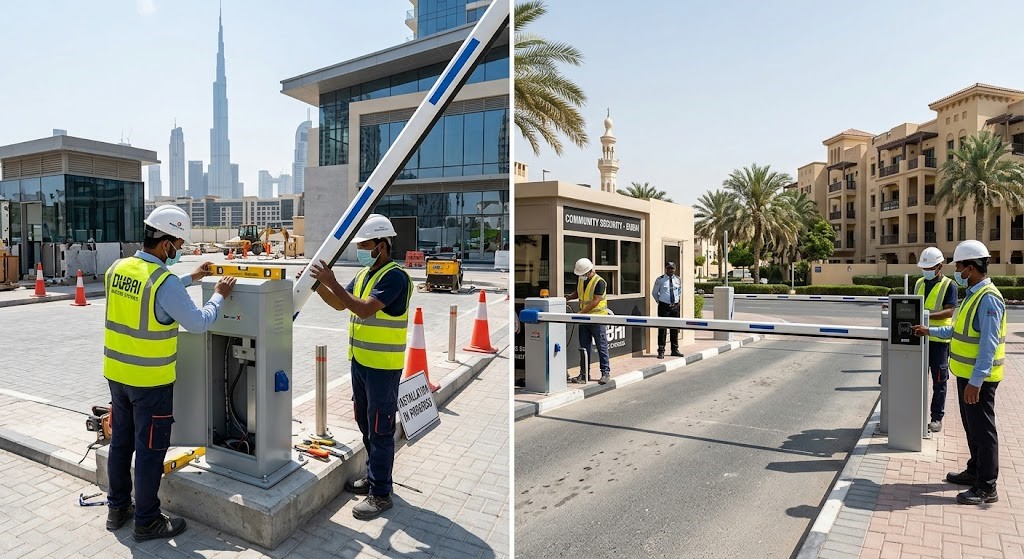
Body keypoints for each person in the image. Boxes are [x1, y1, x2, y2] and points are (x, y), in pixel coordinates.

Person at [104, 205, 236, 541]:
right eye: (179, 244)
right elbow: (197, 322)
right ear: (166, 245)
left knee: (121, 443)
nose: (180, 250)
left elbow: (153, 289)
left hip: (117, 376)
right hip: (150, 383)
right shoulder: (163, 281)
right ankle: (147, 521)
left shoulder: (118, 269)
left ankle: (118, 507)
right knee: (150, 452)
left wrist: (193, 277)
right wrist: (218, 296)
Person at [309, 214, 413, 520]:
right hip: (362, 362)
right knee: (366, 424)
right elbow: (342, 304)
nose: (361, 249)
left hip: (383, 367)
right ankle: (374, 476)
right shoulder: (368, 274)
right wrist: (317, 287)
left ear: (382, 245)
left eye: (365, 244)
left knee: (380, 429)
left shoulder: (395, 277)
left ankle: (381, 494)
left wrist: (332, 282)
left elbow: (364, 310)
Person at [912, 240, 1005, 505]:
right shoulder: (973, 294)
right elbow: (957, 330)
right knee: (972, 428)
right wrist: (929, 331)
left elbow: (988, 344)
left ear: (971, 268)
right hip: (967, 375)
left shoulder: (988, 298)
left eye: (960, 266)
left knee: (984, 432)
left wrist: (976, 381)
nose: (957, 271)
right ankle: (974, 471)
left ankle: (987, 487)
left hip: (980, 380)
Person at [914, 247, 958, 433]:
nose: (927, 270)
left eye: (930, 267)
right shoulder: (918, 283)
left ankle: (936, 418)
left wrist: (925, 315)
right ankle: (914, 413)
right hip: (919, 338)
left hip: (939, 341)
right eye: (924, 267)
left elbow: (949, 311)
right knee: (915, 378)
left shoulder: (950, 285)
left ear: (940, 266)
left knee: (939, 381)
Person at [566, 257, 611, 385]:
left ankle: (605, 372)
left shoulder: (600, 282)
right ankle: (584, 374)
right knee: (584, 347)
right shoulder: (581, 279)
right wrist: (569, 297)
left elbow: (596, 300)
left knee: (601, 346)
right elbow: (579, 293)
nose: (581, 277)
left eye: (582, 274)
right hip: (584, 320)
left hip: (598, 319)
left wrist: (582, 312)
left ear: (589, 271)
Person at [652, 262, 684, 359]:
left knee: (675, 328)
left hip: (675, 307)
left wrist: (677, 301)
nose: (671, 270)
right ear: (666, 269)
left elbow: (679, 291)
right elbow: (654, 293)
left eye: (673, 268)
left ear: (675, 269)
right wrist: (660, 302)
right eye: (669, 268)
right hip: (664, 307)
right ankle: (661, 350)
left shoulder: (678, 279)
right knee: (662, 329)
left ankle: (674, 349)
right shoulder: (660, 279)